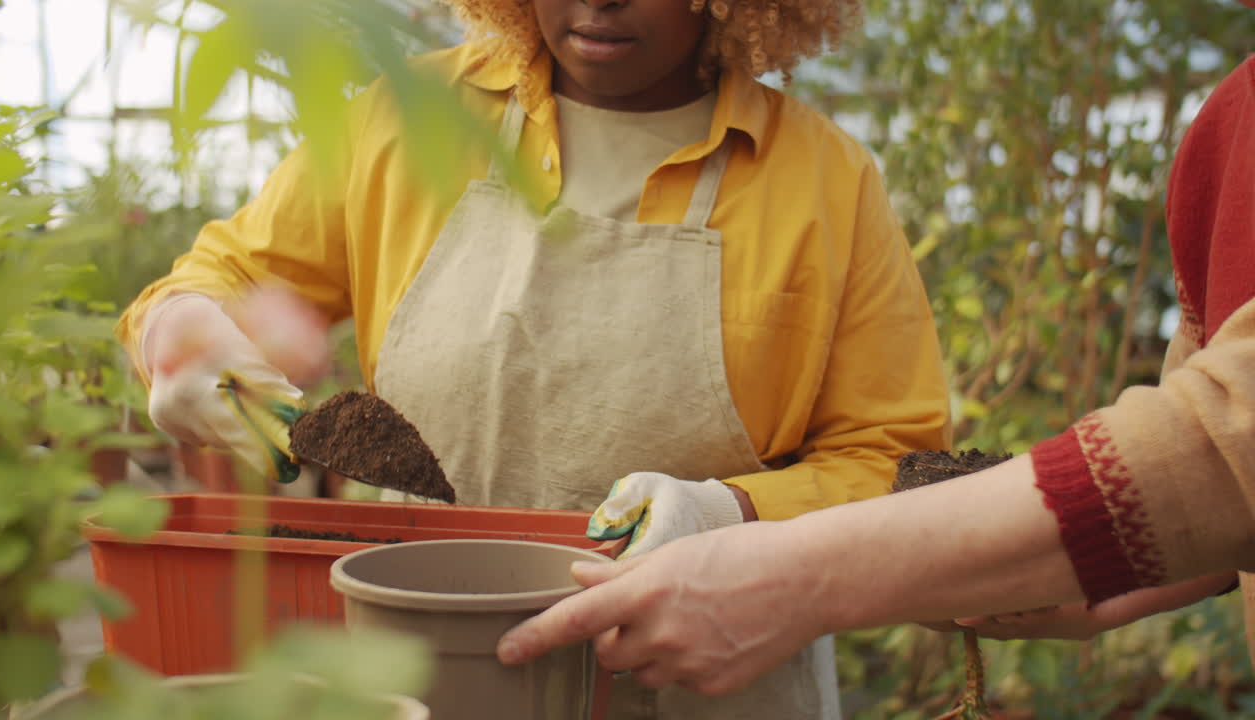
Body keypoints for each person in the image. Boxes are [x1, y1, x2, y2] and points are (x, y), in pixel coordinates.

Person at [116, 0, 951, 716]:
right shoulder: (411, 118)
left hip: (715, 678)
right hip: (423, 666)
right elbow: (224, 275)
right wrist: (181, 331)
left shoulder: (823, 182)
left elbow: (892, 459)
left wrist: (730, 512)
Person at [495, 5, 1255, 697]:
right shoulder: (1224, 134)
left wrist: (749, 531)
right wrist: (1073, 561)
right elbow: (1218, 476)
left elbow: (1222, 445)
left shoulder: (824, 174)